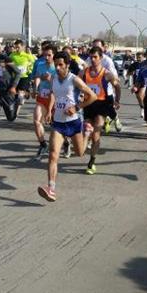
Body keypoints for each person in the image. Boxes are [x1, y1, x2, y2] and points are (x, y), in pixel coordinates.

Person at [37, 51, 98, 202]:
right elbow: (52, 94)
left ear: (67, 65)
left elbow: (93, 96)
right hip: (58, 123)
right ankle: (51, 188)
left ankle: (87, 133)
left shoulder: (74, 80)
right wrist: (50, 110)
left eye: (60, 65)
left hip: (74, 121)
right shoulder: (54, 79)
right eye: (56, 65)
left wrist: (77, 107)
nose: (57, 68)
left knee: (80, 153)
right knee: (53, 155)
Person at [81, 46, 121, 175]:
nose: (92, 60)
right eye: (91, 57)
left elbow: (117, 86)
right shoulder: (84, 73)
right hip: (88, 105)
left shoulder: (107, 74)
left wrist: (117, 100)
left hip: (102, 104)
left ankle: (92, 162)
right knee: (87, 129)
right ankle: (87, 146)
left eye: (95, 57)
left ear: (101, 58)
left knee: (97, 127)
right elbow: (74, 83)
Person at [91, 39, 123, 133]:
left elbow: (115, 78)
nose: (95, 48)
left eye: (98, 46)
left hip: (106, 92)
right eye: (93, 46)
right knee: (94, 118)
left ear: (103, 48)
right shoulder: (89, 59)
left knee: (110, 112)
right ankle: (91, 138)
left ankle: (115, 118)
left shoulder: (107, 61)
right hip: (93, 93)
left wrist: (114, 80)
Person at [31, 45, 57, 160]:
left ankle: (66, 144)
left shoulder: (58, 67)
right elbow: (37, 77)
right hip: (42, 97)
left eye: (49, 55)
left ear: (54, 56)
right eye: (45, 55)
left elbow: (62, 82)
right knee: (37, 120)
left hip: (56, 99)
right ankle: (43, 144)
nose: (46, 57)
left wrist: (51, 78)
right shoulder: (40, 65)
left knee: (57, 126)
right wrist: (35, 89)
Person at [8, 39, 36, 113]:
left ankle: (17, 110)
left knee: (20, 95)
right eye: (15, 47)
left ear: (23, 47)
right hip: (15, 77)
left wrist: (30, 71)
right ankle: (14, 105)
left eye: (18, 47)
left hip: (24, 77)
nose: (17, 49)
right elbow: (8, 64)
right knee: (13, 93)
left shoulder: (27, 56)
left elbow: (33, 64)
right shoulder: (12, 55)